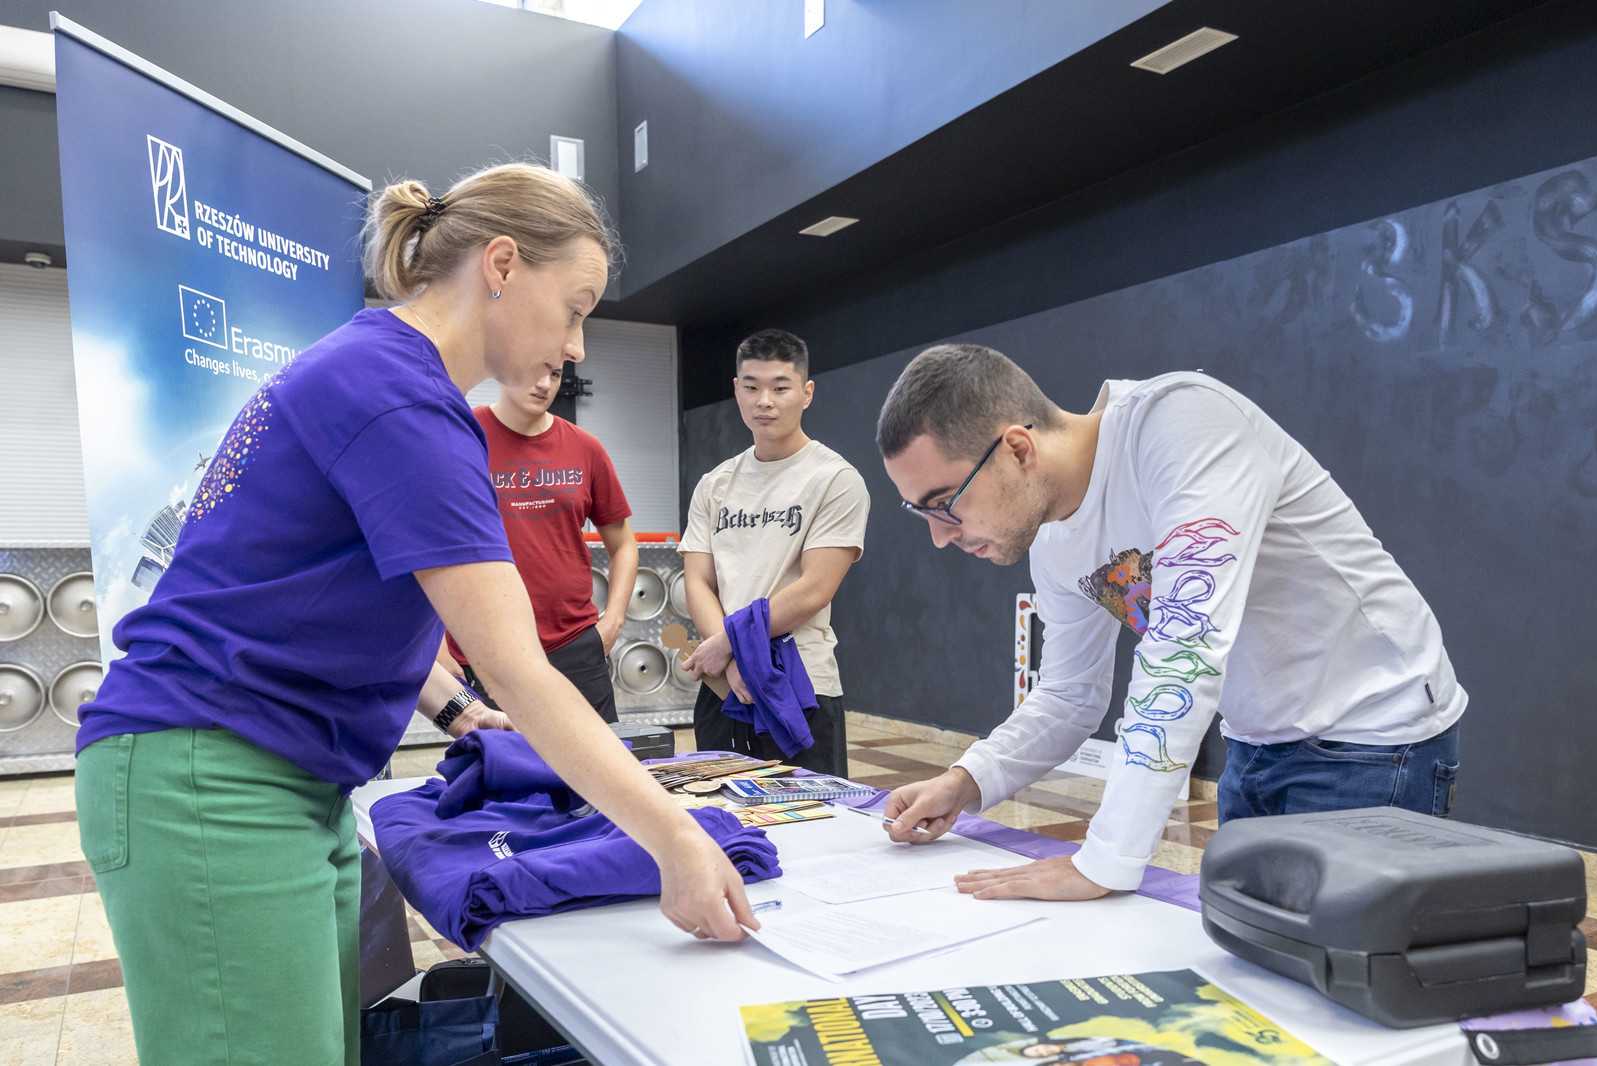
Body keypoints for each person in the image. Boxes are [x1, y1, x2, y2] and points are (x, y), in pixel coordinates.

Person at [72, 163, 756, 1066]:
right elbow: (518, 665)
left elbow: (315, 595)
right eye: (575, 308)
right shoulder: (398, 396)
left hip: (274, 773)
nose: (577, 345)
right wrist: (675, 837)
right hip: (213, 775)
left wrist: (457, 710)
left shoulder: (384, 374)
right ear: (502, 265)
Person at [875, 344, 1464, 901]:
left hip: (1374, 736)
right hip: (1255, 745)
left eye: (944, 503)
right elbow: (1069, 695)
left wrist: (1105, 859)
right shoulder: (1053, 544)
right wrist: (965, 780)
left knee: (1335, 960)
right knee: (1254, 948)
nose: (939, 537)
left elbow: (1187, 644)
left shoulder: (1180, 422)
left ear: (1018, 449)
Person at [679, 329, 869, 776]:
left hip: (800, 689)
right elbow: (698, 582)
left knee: (811, 816)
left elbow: (814, 589)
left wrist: (730, 646)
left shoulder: (834, 479)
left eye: (780, 388)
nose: (764, 401)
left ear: (806, 393)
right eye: (752, 387)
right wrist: (732, 661)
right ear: (737, 390)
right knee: (720, 814)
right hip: (723, 685)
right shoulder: (714, 484)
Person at [437, 363, 639, 722]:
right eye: (534, 371)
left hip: (575, 644)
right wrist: (435, 645)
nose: (545, 384)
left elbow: (623, 544)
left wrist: (613, 622)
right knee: (500, 757)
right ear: (503, 367)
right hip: (486, 650)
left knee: (599, 756)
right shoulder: (461, 437)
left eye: (556, 374)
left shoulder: (585, 448)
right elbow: (428, 548)